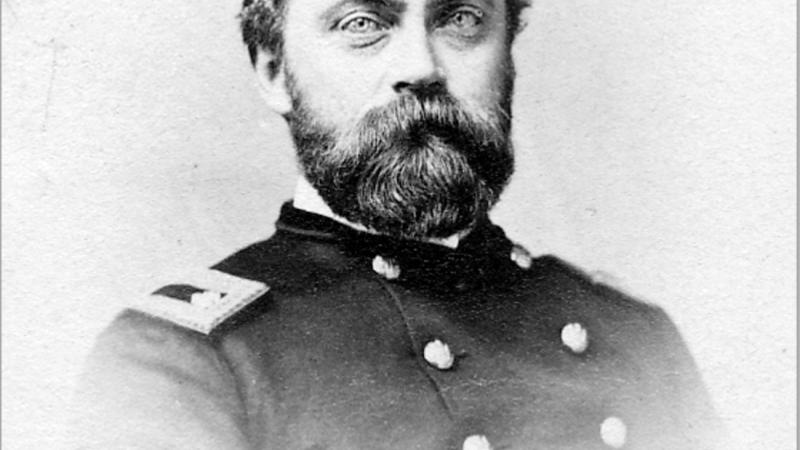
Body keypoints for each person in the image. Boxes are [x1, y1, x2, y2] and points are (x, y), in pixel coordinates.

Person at [72, 0, 725, 448]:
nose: (421, 65)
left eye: (461, 17)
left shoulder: (638, 339)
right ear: (274, 72)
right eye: (363, 22)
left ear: (509, 52)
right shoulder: (188, 363)